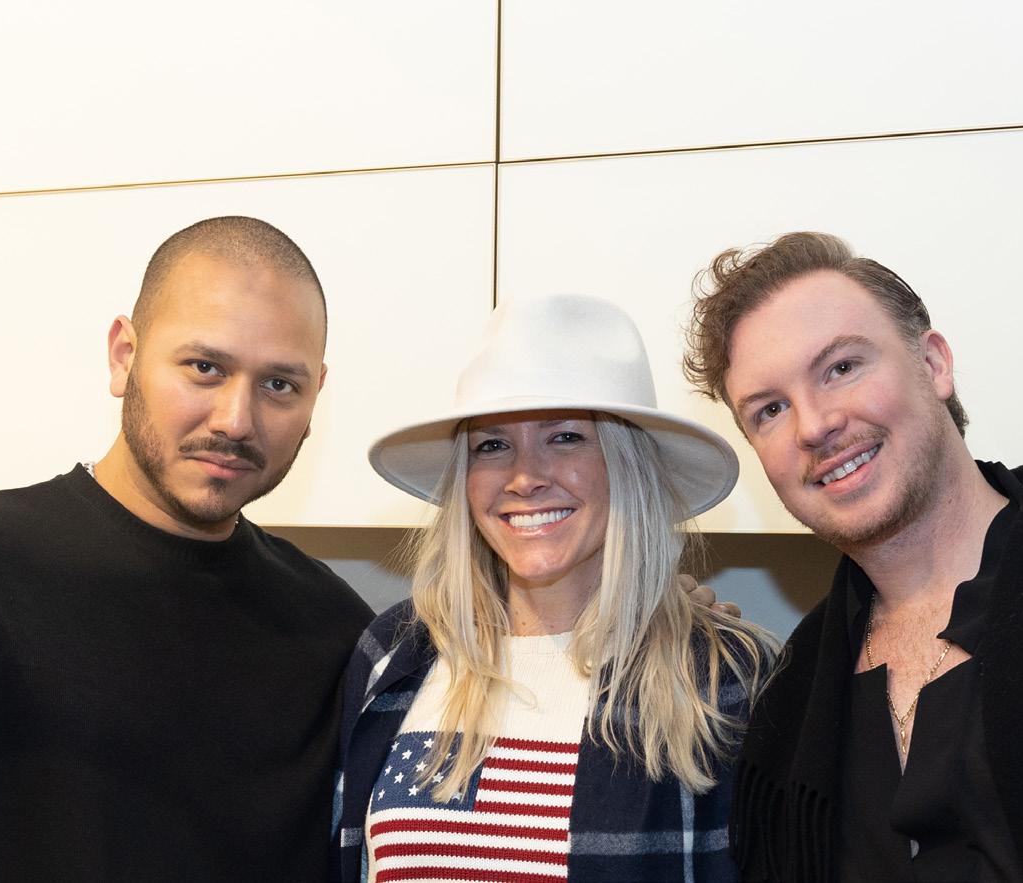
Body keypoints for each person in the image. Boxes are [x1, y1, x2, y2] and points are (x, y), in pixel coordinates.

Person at [682, 231, 1023, 881]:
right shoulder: (790, 695)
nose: (814, 425)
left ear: (935, 364)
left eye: (842, 368)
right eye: (770, 409)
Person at [0, 217, 373, 881]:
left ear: (315, 397)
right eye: (205, 368)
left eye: (279, 384)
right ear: (123, 355)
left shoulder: (340, 631)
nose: (235, 421)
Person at [330, 294, 782, 882]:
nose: (525, 478)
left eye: (565, 438)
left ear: (627, 466)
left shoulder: (727, 678)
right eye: (492, 445)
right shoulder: (395, 654)